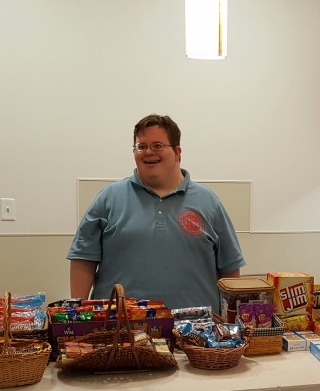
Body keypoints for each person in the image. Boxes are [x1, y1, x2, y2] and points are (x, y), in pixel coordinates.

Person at [67, 114, 245, 311]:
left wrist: (230, 319)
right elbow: (83, 258)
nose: (148, 152)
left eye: (158, 145)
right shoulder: (109, 198)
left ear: (177, 152)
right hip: (119, 332)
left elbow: (230, 268)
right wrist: (78, 313)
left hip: (196, 333)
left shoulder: (209, 202)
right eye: (141, 146)